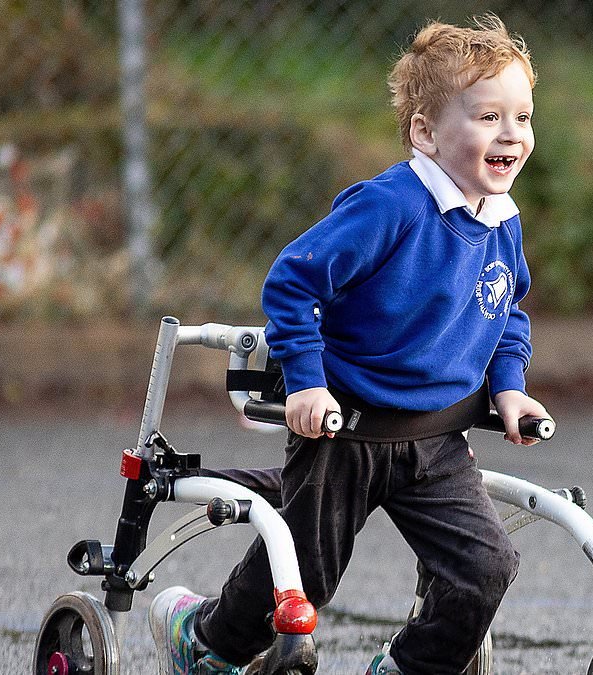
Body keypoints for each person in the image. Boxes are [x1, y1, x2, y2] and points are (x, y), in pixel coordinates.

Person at [149, 14, 551, 674]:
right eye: (488, 117)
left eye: (523, 117)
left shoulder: (502, 220)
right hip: (346, 428)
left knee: (485, 566)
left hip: (436, 438)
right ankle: (206, 640)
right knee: (306, 575)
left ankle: (406, 667)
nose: (512, 134)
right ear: (425, 133)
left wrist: (509, 388)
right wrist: (307, 382)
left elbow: (507, 311)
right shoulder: (391, 206)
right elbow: (293, 281)